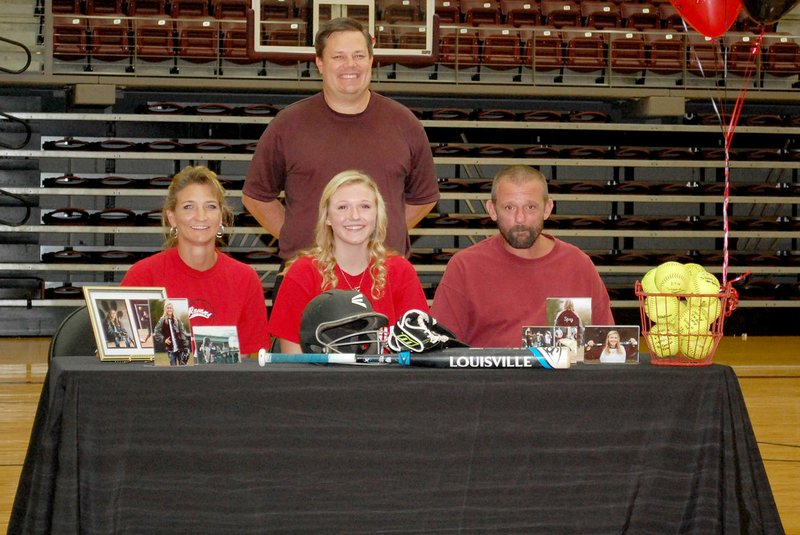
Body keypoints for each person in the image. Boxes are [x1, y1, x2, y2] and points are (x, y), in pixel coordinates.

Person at [242, 17, 440, 261]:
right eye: (338, 57)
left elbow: (423, 198)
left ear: (371, 60)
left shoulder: (405, 123)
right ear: (320, 64)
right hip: (309, 274)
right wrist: (299, 239)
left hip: (382, 273)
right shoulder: (288, 124)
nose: (350, 65)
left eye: (358, 55)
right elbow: (257, 197)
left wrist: (371, 236)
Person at [432, 165, 614, 347]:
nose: (520, 218)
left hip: (562, 376)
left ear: (547, 208)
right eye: (509, 207)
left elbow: (603, 347)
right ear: (492, 210)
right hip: (491, 376)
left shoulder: (578, 265)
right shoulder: (465, 267)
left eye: (531, 207)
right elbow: (441, 349)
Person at [269, 170, 430, 353]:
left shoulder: (400, 271)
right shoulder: (302, 272)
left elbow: (418, 349)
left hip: (388, 380)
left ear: (377, 215)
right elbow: (293, 361)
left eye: (365, 206)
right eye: (343, 207)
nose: (354, 216)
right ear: (327, 217)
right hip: (318, 381)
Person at [121, 166, 271, 356]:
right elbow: (124, 358)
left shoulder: (245, 279)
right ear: (172, 217)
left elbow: (253, 360)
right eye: (188, 207)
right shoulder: (143, 276)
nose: (201, 216)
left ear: (221, 217)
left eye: (210, 206)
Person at [153, 301, 191, 365]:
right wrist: (164, 339)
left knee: (183, 366)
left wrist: (185, 345)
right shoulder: (162, 320)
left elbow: (182, 332)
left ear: (172, 309)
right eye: (168, 308)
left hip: (180, 348)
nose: (169, 309)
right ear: (165, 309)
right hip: (170, 350)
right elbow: (156, 331)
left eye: (170, 308)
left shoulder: (177, 319)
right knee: (173, 368)